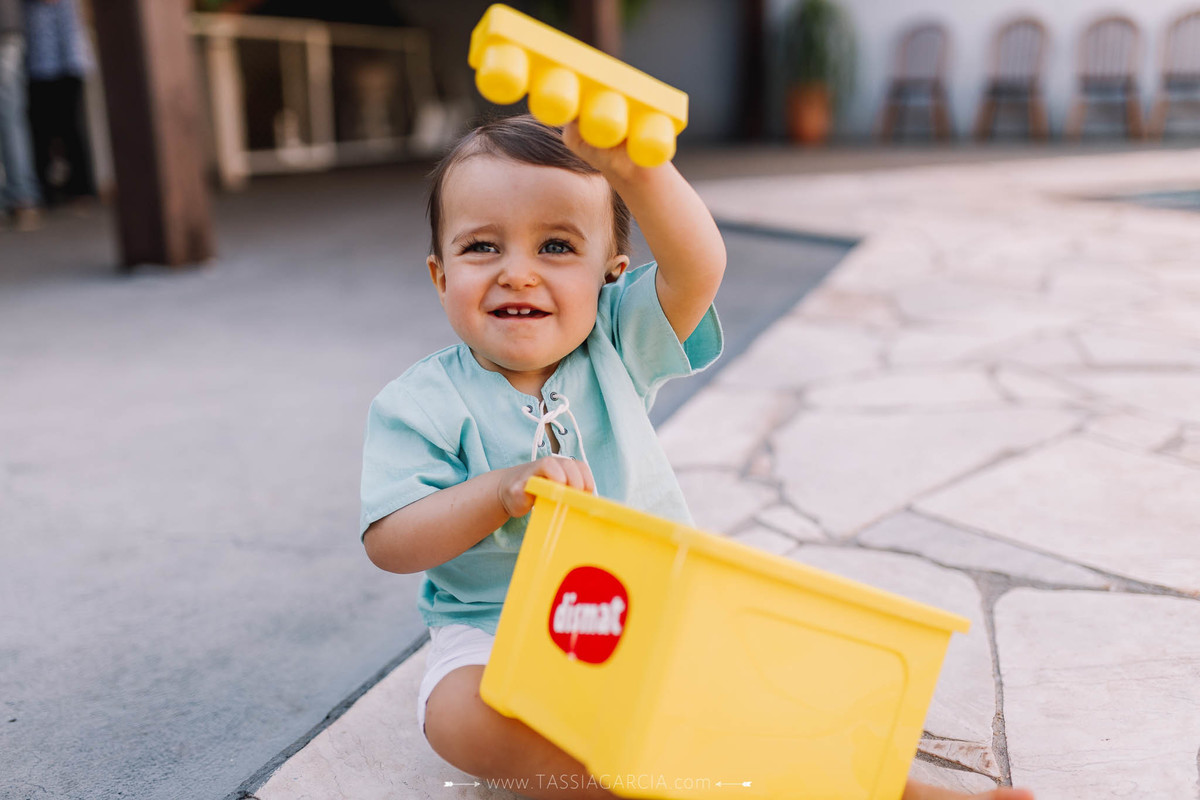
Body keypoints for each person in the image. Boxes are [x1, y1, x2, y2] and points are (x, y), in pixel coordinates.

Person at [359, 114, 1034, 800]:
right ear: (441, 274)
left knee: (763, 689)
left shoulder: (615, 344)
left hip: (646, 609)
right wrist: (497, 491)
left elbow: (698, 266)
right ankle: (642, 783)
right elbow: (392, 540)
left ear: (611, 275)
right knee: (457, 719)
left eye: (557, 245)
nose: (518, 273)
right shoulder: (419, 403)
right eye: (482, 247)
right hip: (494, 631)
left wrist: (640, 171)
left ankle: (899, 791)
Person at [24, 0, 95, 207]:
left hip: (65, 55)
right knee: (41, 129)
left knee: (70, 125)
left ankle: (80, 188)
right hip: (39, 56)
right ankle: (48, 190)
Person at [0, 0, 40, 230]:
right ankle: (22, 197)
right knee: (10, 116)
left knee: (9, 116)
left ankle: (21, 196)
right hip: (7, 24)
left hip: (5, 27)